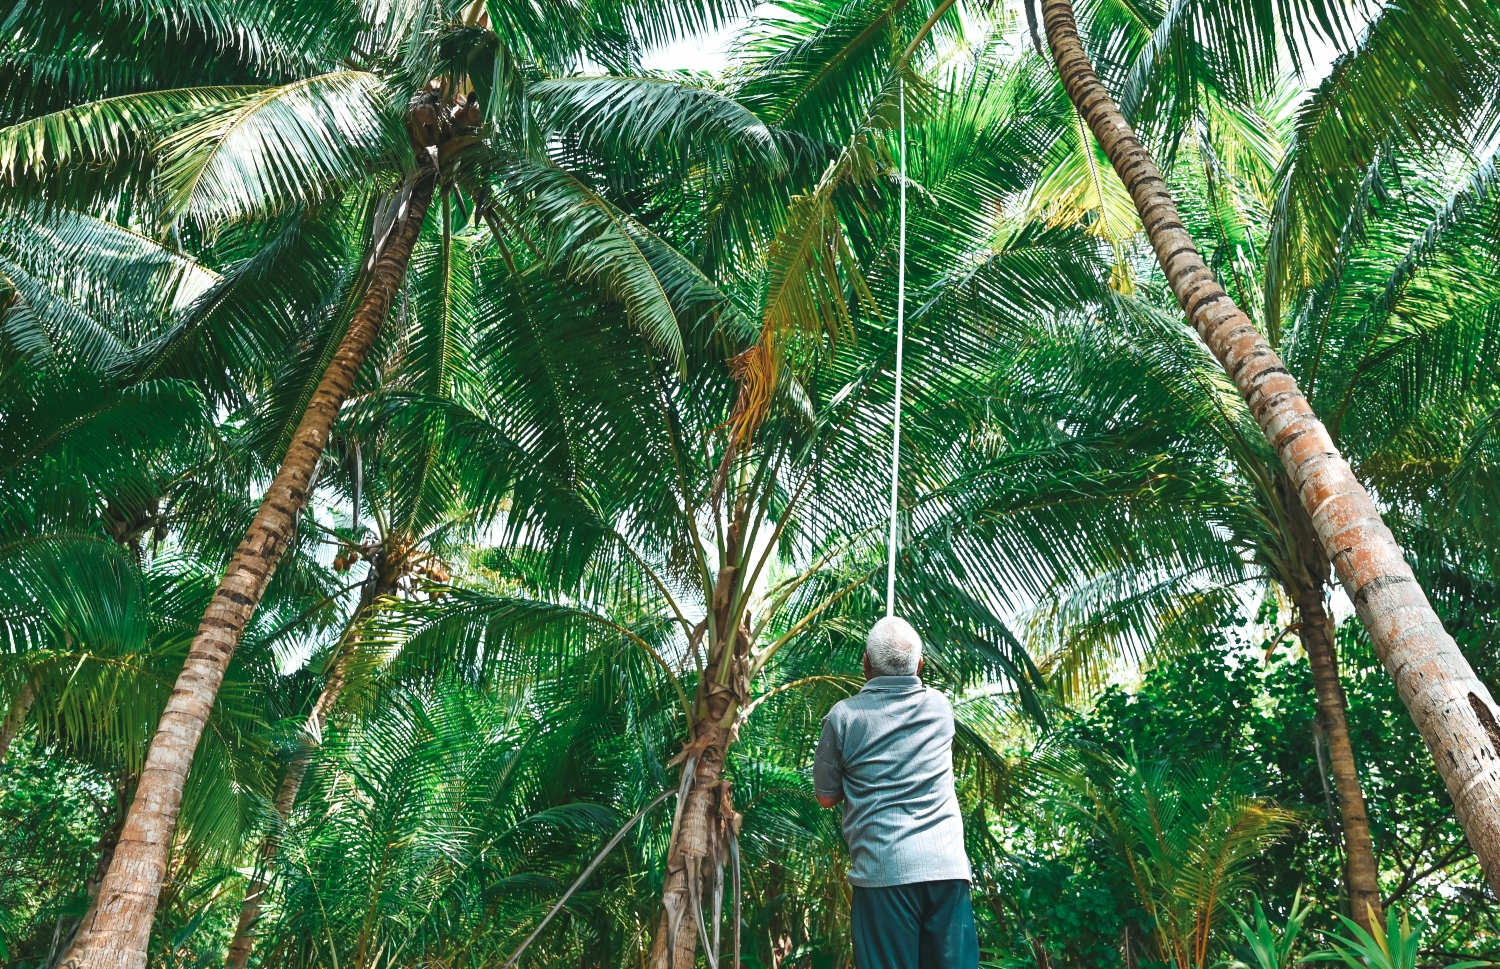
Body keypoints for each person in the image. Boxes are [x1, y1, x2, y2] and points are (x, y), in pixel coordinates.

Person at [814, 616, 979, 969]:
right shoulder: (940, 708)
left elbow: (826, 796)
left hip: (884, 873)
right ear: (920, 665)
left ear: (865, 663)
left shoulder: (842, 717)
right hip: (946, 869)